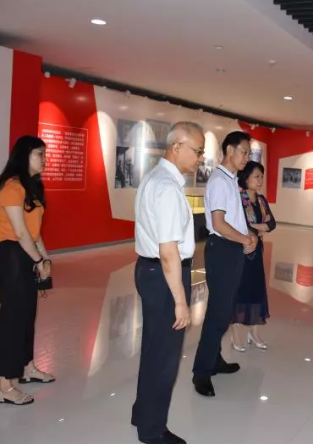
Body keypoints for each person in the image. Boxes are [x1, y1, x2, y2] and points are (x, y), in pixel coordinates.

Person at [131, 122, 204, 444]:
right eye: (197, 151)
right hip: (164, 276)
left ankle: (141, 413)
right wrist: (181, 301)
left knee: (154, 348)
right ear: (177, 147)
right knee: (164, 359)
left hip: (150, 271)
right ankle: (152, 431)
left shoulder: (155, 178)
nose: (200, 158)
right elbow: (169, 252)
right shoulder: (168, 188)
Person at [192, 131, 258, 398]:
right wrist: (245, 239)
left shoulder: (231, 179)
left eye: (248, 153)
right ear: (230, 150)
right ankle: (201, 372)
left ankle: (214, 359)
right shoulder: (220, 181)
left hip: (232, 249)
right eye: (244, 152)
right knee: (218, 314)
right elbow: (219, 224)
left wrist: (249, 235)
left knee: (224, 309)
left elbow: (233, 218)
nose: (247, 157)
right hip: (223, 250)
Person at [0, 135, 53, 405]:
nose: (44, 159)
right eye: (40, 154)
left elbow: (34, 232)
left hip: (26, 253)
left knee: (27, 315)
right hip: (12, 255)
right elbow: (19, 231)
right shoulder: (11, 187)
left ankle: (27, 368)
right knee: (13, 318)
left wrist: (45, 259)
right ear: (24, 155)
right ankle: (3, 385)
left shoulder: (31, 187)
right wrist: (38, 260)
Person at [230, 161, 275, 352]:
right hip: (240, 250)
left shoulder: (261, 200)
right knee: (239, 289)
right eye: (256, 176)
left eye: (261, 176)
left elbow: (272, 224)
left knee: (256, 290)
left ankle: (253, 331)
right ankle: (235, 332)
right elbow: (236, 224)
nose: (260, 180)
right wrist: (259, 228)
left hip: (256, 252)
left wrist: (252, 227)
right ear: (245, 177)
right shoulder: (237, 199)